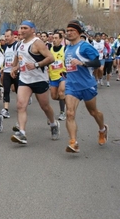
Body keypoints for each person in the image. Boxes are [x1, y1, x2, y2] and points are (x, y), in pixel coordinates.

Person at [10, 20, 59, 144]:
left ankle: (53, 124)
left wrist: (36, 64)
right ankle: (22, 133)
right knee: (21, 105)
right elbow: (18, 57)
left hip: (39, 79)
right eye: (21, 28)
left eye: (25, 28)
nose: (22, 30)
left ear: (33, 30)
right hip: (25, 79)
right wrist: (14, 68)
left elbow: (51, 58)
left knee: (45, 106)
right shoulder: (20, 44)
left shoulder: (37, 43)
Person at [64, 20, 108, 153]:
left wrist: (82, 63)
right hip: (72, 86)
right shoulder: (67, 48)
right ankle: (73, 142)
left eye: (72, 31)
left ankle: (102, 129)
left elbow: (96, 62)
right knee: (70, 113)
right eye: (68, 30)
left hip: (87, 85)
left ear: (78, 32)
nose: (69, 33)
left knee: (93, 112)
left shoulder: (84, 46)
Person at [0, 29, 19, 119]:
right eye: (5, 36)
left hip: (16, 72)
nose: (6, 38)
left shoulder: (17, 45)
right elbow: (3, 58)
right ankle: (5, 109)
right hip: (7, 71)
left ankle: (21, 106)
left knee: (18, 91)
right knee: (6, 90)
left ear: (12, 36)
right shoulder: (5, 46)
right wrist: (2, 68)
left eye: (8, 36)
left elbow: (21, 57)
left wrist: (16, 67)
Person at [48, 32, 67, 121]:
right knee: (54, 96)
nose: (54, 40)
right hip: (53, 76)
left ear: (61, 39)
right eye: (53, 38)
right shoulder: (49, 49)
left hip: (63, 75)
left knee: (61, 92)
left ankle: (62, 112)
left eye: (56, 38)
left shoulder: (64, 49)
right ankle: (66, 100)